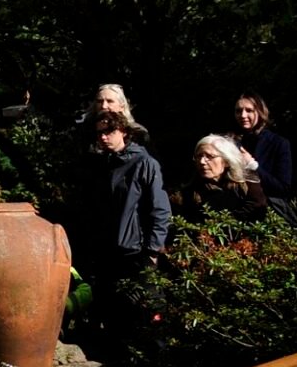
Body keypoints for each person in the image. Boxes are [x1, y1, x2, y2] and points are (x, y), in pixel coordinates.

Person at [84, 110, 172, 288]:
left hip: (136, 252)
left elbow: (160, 209)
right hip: (106, 250)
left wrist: (152, 251)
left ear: (123, 131)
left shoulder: (144, 163)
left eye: (109, 132)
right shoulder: (101, 165)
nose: (104, 137)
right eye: (100, 133)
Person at [171, 135, 269, 222]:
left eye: (210, 156)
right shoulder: (191, 191)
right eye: (199, 156)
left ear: (226, 161)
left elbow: (256, 209)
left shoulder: (247, 183)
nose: (202, 162)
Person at [232, 92, 294, 205]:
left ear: (260, 112)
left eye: (249, 110)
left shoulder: (278, 143)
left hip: (268, 212)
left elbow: (283, 189)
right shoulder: (232, 143)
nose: (243, 115)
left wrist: (252, 165)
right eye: (238, 111)